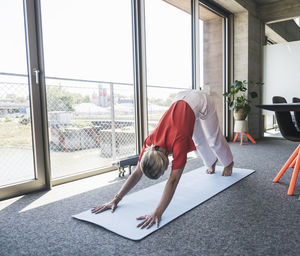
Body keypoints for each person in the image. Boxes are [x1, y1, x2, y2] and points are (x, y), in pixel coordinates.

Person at [91, 90, 234, 229]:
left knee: (212, 139)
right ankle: (211, 162)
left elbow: (173, 180)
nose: (167, 171)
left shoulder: (179, 141)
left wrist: (157, 212)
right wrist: (116, 198)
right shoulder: (150, 145)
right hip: (181, 101)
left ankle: (229, 163)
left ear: (166, 161)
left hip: (200, 101)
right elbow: (136, 173)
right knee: (198, 140)